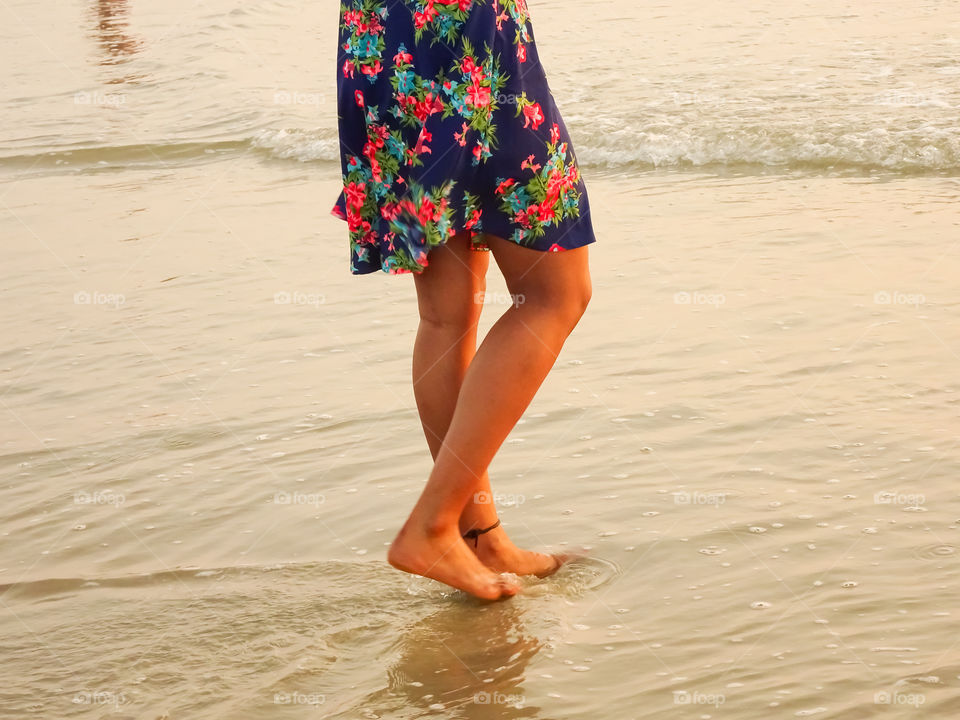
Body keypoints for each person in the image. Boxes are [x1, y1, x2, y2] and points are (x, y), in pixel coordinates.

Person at [331, 0, 596, 600]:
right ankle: (432, 526)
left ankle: (479, 538)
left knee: (446, 315)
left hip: (385, 46)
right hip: (469, 46)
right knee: (555, 295)